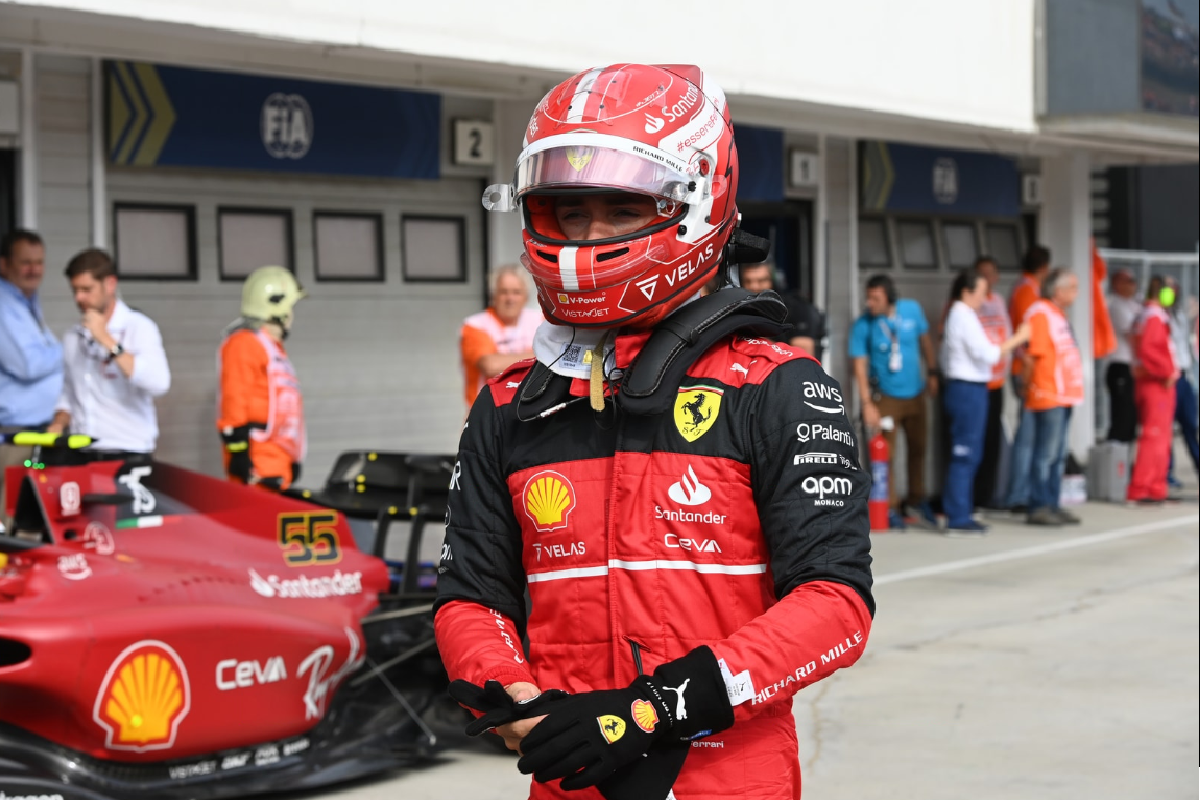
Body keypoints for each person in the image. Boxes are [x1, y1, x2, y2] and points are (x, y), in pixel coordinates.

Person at [433, 63, 873, 800]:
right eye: (569, 212)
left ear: (694, 206)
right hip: (569, 775)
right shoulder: (510, 404)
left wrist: (651, 710)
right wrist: (512, 697)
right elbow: (469, 595)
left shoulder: (777, 388)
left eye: (621, 210)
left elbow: (836, 606)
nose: (588, 236)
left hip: (731, 778)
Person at [46, 249, 170, 456]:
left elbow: (159, 383)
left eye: (87, 289)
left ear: (110, 284)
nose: (79, 298)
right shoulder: (72, 336)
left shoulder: (138, 327)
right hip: (81, 451)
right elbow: (69, 393)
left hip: (128, 451)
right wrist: (58, 423)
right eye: (75, 290)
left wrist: (107, 340)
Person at [939, 267, 1030, 535]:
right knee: (964, 453)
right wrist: (1018, 339)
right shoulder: (962, 315)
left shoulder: (965, 314)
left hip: (972, 387)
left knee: (971, 452)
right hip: (967, 388)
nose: (984, 299)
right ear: (967, 292)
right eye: (981, 293)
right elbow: (987, 353)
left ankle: (962, 510)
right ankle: (957, 514)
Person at [849, 273, 939, 530]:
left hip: (916, 393)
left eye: (875, 298)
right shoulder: (863, 324)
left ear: (889, 297)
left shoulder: (911, 310)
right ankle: (889, 506)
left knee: (918, 448)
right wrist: (867, 403)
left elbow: (925, 342)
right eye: (868, 297)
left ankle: (916, 498)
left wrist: (933, 372)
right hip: (886, 398)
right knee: (886, 454)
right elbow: (859, 364)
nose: (869, 303)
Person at [216, 265, 307, 491]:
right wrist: (239, 453)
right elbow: (234, 400)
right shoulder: (244, 345)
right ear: (278, 309)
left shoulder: (274, 350)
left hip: (278, 461)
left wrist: (293, 458)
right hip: (256, 466)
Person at [0, 229, 63, 531]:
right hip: (14, 439)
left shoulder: (27, 302)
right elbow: (27, 364)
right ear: (4, 265)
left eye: (39, 262)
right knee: (9, 525)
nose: (33, 270)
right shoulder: (3, 303)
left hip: (39, 435)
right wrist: (66, 350)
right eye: (25, 262)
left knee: (31, 527)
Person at [1021, 268, 1084, 526]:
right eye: (1072, 288)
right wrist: (1028, 386)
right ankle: (1039, 505)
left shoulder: (1057, 315)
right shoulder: (1040, 314)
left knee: (1057, 455)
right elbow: (1029, 356)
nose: (1076, 293)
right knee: (1045, 454)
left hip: (1064, 394)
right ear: (1058, 291)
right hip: (1048, 393)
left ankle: (1053, 503)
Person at [1002, 245, 1052, 514]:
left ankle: (1023, 492)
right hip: (1025, 369)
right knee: (1027, 437)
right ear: (1043, 267)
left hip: (1025, 367)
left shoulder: (1026, 289)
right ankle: (1018, 494)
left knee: (1031, 437)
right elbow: (1027, 336)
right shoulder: (1027, 292)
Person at [1125, 277, 1179, 505]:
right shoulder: (1154, 316)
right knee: (1154, 435)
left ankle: (1156, 487)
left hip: (1150, 381)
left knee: (1160, 436)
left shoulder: (1144, 314)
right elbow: (1149, 350)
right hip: (1156, 383)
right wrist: (1166, 372)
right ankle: (1142, 488)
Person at [460, 263, 542, 407]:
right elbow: (491, 365)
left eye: (516, 292)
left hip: (529, 408)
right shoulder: (475, 324)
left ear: (526, 296)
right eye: (504, 292)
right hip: (486, 410)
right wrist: (541, 354)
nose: (510, 299)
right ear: (493, 295)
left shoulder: (540, 321)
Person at [970, 256, 1015, 509]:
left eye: (991, 274)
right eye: (982, 274)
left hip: (997, 382)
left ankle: (988, 495)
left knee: (992, 441)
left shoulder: (997, 301)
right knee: (974, 442)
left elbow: (1004, 333)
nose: (987, 279)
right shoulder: (965, 306)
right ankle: (973, 498)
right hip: (977, 383)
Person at [738, 261, 826, 360]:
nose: (754, 287)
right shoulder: (740, 310)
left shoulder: (797, 308)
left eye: (761, 281)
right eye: (748, 281)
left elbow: (802, 358)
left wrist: (756, 343)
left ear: (773, 281)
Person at [1162, 277, 1199, 486]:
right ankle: (1166, 473)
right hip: (1170, 377)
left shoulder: (1180, 316)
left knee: (1190, 426)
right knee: (1167, 428)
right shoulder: (1158, 316)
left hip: (1185, 377)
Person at [1105, 268, 1142, 443]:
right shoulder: (1116, 304)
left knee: (1131, 421)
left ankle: (1124, 466)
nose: (1133, 285)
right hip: (1121, 366)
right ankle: (1113, 466)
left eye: (1134, 281)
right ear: (1117, 284)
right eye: (1129, 281)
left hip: (1132, 368)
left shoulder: (1134, 304)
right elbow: (1133, 336)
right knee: (1121, 419)